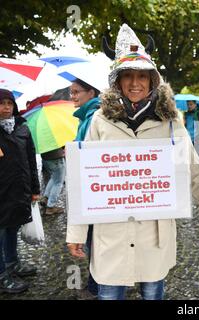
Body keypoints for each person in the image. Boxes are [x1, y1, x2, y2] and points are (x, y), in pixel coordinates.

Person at [66, 24, 199, 300]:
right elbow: (85, 180)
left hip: (154, 235)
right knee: (109, 293)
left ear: (153, 79)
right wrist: (76, 232)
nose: (135, 83)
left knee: (153, 292)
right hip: (111, 233)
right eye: (127, 75)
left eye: (142, 75)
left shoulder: (170, 122)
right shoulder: (99, 121)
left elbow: (194, 175)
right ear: (117, 80)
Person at [0, 89, 40, 293]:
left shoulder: (22, 128)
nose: (6, 107)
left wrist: (34, 188)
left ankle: (12, 264)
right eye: (1, 103)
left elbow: (31, 159)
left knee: (11, 229)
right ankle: (2, 276)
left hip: (18, 190)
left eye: (9, 103)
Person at [70, 78, 101, 299]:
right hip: (92, 187)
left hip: (94, 188)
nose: (73, 96)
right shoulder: (87, 115)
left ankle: (95, 288)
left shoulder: (93, 117)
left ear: (91, 92)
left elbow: (91, 155)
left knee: (95, 240)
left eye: (76, 92)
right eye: (71, 92)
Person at [39, 146, 65, 215]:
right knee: (58, 182)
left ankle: (46, 198)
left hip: (45, 157)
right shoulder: (52, 135)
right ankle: (50, 207)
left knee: (54, 177)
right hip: (55, 157)